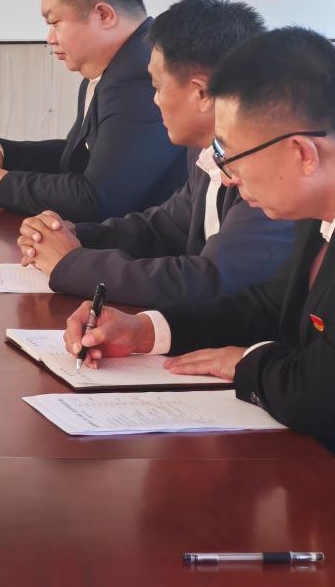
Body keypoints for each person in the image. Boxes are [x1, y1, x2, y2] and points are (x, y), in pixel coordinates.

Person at [65, 28, 335, 448]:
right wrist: (144, 330)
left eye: (230, 155)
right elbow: (269, 305)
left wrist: (246, 362)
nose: (227, 176)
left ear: (303, 154)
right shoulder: (312, 214)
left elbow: (319, 395)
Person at [16, 0, 294, 306]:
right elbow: (164, 227)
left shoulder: (265, 165)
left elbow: (212, 280)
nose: (155, 100)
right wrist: (70, 235)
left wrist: (73, 263)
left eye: (158, 86)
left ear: (201, 93)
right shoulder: (203, 150)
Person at [0, 0, 185, 221]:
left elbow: (96, 199)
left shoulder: (141, 76)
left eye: (55, 22)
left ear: (103, 15)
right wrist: (2, 154)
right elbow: (76, 159)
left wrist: (2, 185)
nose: (50, 38)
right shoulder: (115, 66)